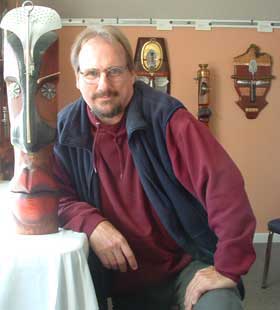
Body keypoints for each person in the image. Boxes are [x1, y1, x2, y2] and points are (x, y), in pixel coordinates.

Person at [53, 25, 256, 310]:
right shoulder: (65, 128)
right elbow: (55, 195)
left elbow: (226, 188)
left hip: (186, 266)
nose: (103, 86)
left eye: (114, 71)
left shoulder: (170, 120)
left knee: (221, 306)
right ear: (77, 78)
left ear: (133, 73)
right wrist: (92, 224)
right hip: (118, 279)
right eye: (91, 73)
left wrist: (227, 267)